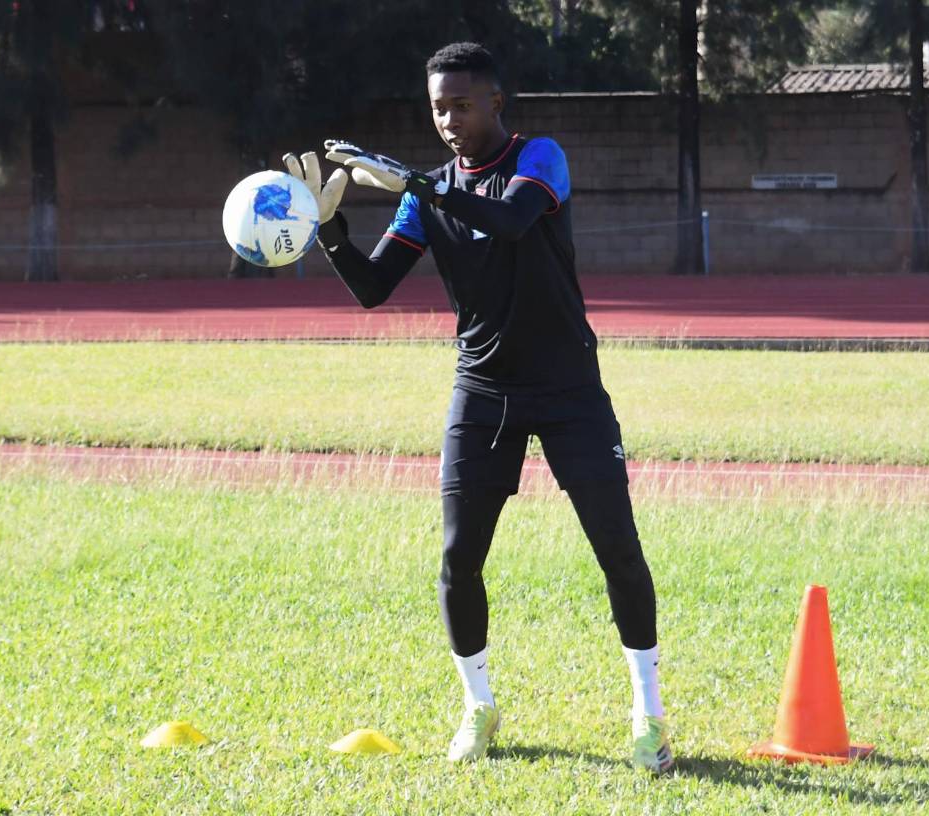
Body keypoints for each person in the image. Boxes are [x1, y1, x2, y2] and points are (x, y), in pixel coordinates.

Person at [282, 41, 672, 774]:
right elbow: (372, 288)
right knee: (459, 560)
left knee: (619, 550)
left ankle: (647, 716)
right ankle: (479, 707)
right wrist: (329, 230)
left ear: (497, 102)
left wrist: (416, 185)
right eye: (439, 109)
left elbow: (513, 220)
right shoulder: (426, 193)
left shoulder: (539, 158)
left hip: (569, 391)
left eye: (463, 105)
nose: (450, 121)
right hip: (483, 392)